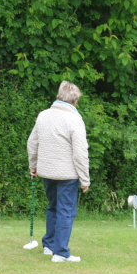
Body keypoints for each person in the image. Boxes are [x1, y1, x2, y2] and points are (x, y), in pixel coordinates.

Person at [27, 81, 90, 263]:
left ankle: (49, 245)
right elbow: (80, 153)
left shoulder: (43, 115)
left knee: (53, 208)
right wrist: (85, 179)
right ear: (75, 100)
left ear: (58, 96)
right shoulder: (74, 119)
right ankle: (61, 252)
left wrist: (33, 165)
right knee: (66, 211)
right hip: (67, 175)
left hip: (46, 172)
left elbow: (32, 143)